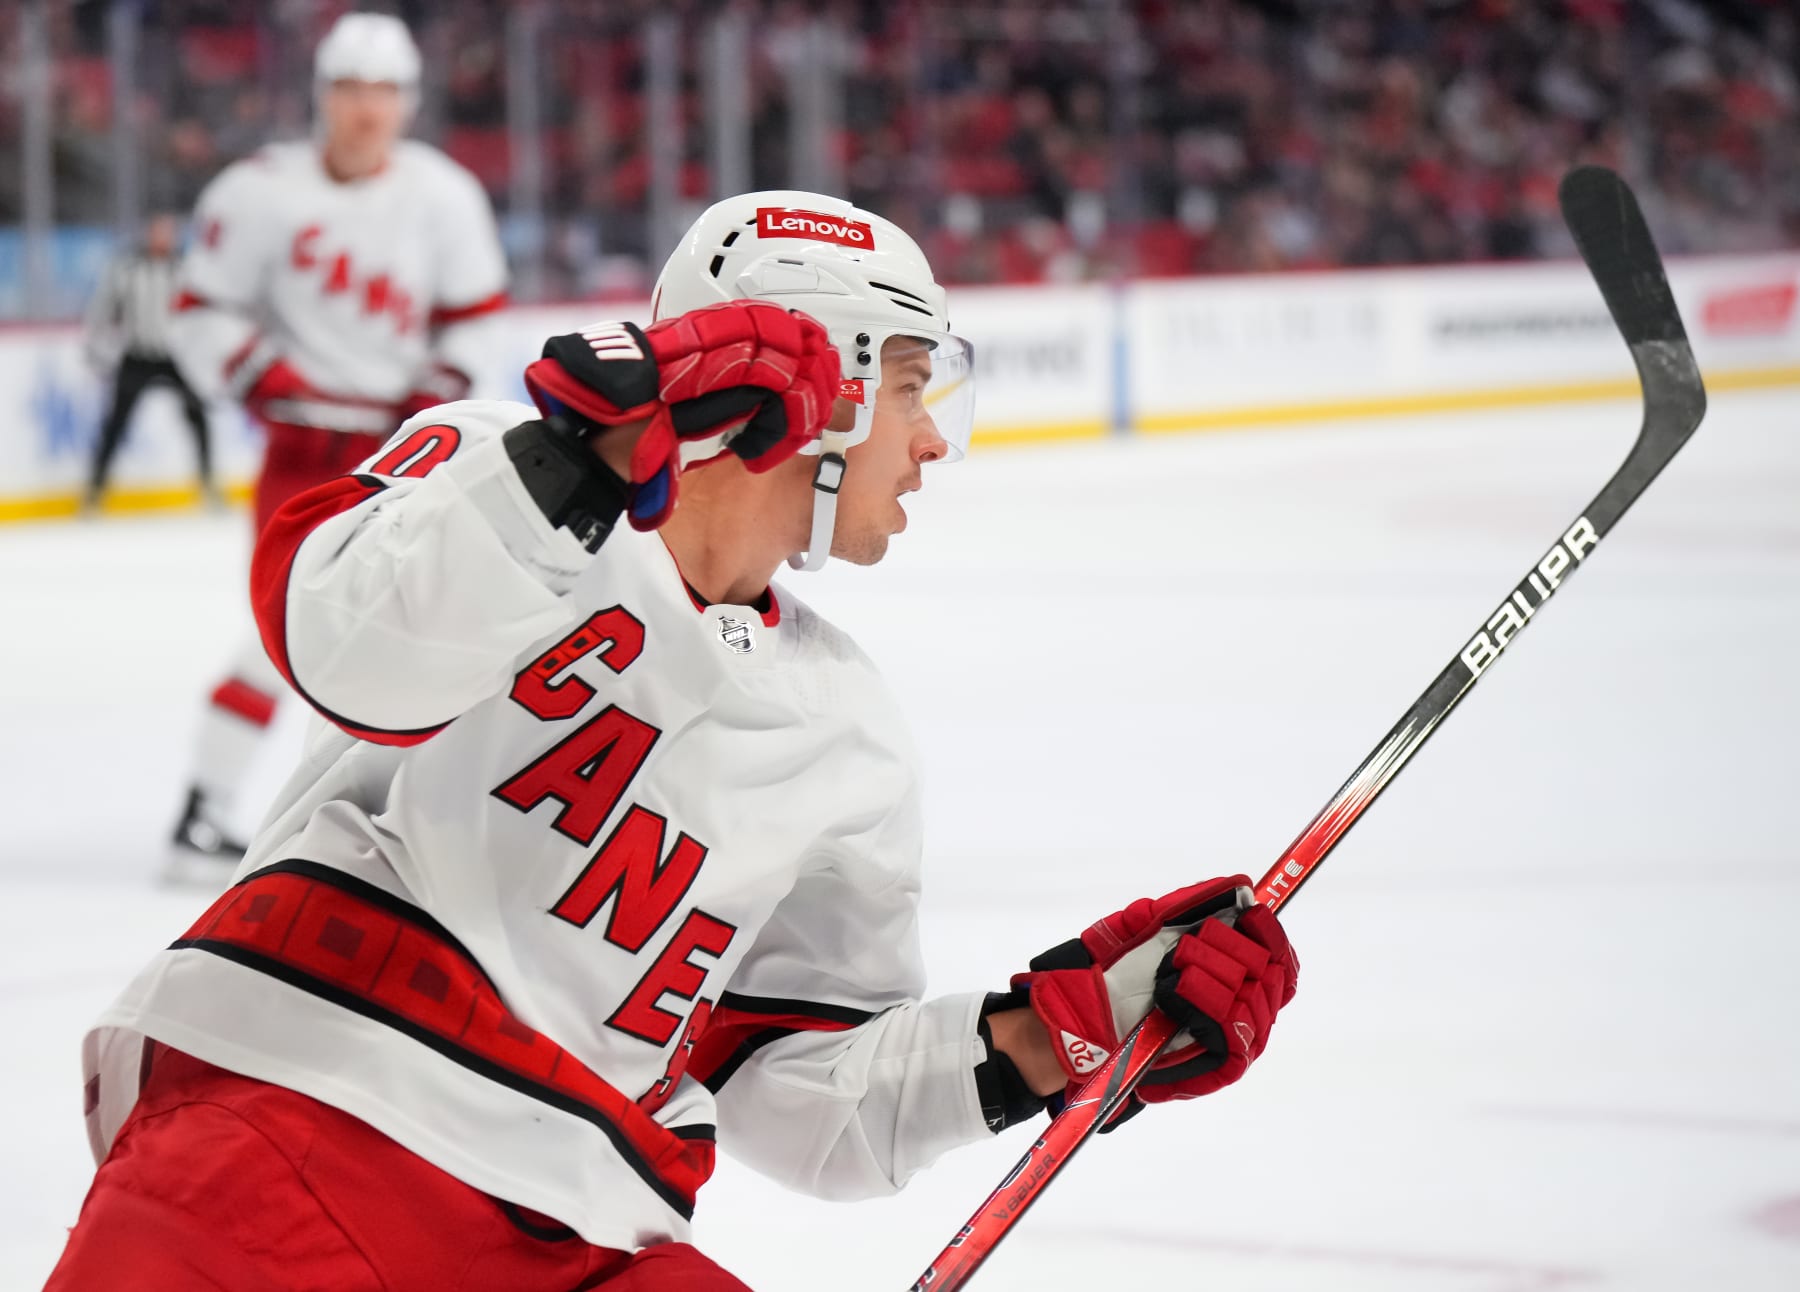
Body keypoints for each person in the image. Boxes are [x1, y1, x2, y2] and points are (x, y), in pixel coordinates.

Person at [46, 191, 1299, 1291]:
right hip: (297, 1121)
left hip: (589, 1229)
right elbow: (341, 640)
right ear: (831, 375)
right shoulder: (509, 467)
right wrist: (580, 461)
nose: (929, 439)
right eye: (913, 385)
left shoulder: (847, 734)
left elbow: (790, 1089)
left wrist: (1054, 1031)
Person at [164, 11, 508, 875]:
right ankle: (205, 812)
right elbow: (200, 310)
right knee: (289, 632)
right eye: (353, 89)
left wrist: (438, 395)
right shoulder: (257, 191)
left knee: (427, 635)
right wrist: (263, 381)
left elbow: (473, 326)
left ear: (409, 102)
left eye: (385, 91)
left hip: (408, 454)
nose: (368, 109)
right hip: (306, 456)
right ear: (323, 95)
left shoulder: (444, 196)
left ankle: (414, 819)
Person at [81, 213, 215, 511]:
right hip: (138, 355)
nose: (163, 239)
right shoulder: (127, 270)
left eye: (168, 233)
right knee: (115, 424)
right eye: (158, 232)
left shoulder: (187, 270)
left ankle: (208, 485)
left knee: (198, 418)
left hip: (178, 358)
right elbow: (103, 311)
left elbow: (204, 315)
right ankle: (94, 492)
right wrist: (97, 351)